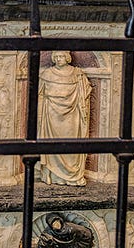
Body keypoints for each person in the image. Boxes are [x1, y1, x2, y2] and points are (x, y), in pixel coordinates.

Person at [37, 51, 92, 186]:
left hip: (72, 116)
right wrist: (39, 114)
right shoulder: (46, 74)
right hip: (51, 115)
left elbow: (85, 93)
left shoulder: (77, 74)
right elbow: (40, 95)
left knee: (71, 142)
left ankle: (72, 176)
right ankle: (53, 175)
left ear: (67, 58)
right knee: (53, 143)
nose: (58, 59)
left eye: (61, 56)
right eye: (56, 57)